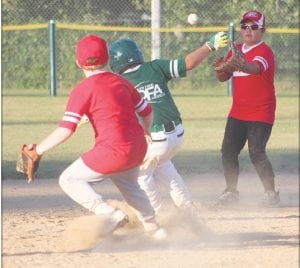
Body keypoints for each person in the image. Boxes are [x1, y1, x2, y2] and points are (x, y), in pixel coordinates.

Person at [26, 34, 166, 239]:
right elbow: (147, 111)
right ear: (108, 59)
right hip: (137, 147)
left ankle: (110, 214)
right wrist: (146, 130)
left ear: (77, 62)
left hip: (113, 151)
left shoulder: (83, 89)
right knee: (131, 186)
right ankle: (155, 229)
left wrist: (38, 150)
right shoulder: (121, 82)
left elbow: (66, 129)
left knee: (69, 179)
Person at [108, 32, 228, 216]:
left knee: (142, 175)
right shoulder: (155, 67)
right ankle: (188, 211)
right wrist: (210, 46)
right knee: (165, 167)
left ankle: (152, 215)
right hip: (177, 134)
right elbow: (188, 64)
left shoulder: (119, 83)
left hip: (155, 137)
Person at [213, 10, 279, 206]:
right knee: (228, 150)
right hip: (238, 112)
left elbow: (255, 68)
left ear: (262, 30)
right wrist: (222, 67)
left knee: (256, 152)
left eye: (253, 26)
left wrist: (239, 64)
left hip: (261, 111)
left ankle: (270, 194)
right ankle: (231, 192)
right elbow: (222, 77)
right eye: (244, 26)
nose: (248, 30)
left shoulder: (264, 51)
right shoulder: (236, 50)